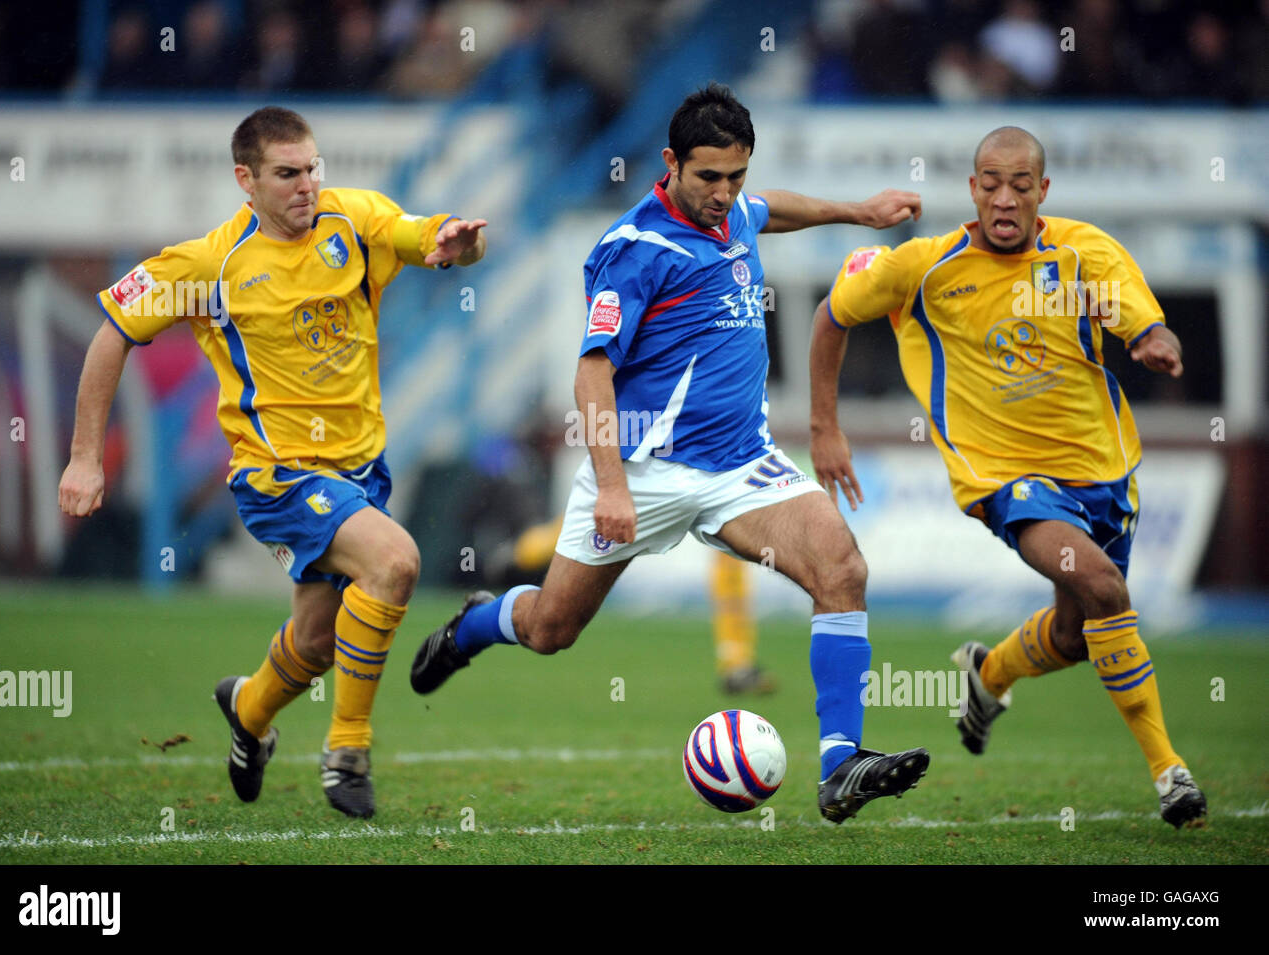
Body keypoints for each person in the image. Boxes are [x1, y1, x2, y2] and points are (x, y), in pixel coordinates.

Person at [411, 83, 929, 825]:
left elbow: (770, 209)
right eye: (708, 178)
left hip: (739, 465)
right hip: (643, 471)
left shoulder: (736, 213)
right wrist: (615, 488)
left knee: (841, 566)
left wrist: (858, 211)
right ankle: (473, 626)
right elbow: (592, 371)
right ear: (670, 164)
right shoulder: (635, 250)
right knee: (551, 629)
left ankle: (841, 761)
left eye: (735, 176)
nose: (725, 195)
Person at [58, 106, 487, 820]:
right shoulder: (209, 264)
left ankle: (249, 711)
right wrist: (83, 459)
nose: (307, 185)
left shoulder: (352, 221)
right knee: (396, 563)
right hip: (277, 475)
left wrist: (458, 245)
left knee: (317, 643)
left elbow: (430, 240)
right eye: (287, 174)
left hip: (359, 471)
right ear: (245, 180)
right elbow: (113, 334)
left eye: (313, 168)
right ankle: (347, 748)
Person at [811, 126, 1206, 828]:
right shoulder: (924, 268)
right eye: (990, 182)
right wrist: (824, 428)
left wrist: (1154, 338)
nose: (1004, 197)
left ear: (1042, 192)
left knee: (1078, 630)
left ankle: (988, 674)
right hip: (1006, 482)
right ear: (971, 190)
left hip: (1105, 471)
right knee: (1105, 587)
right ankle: (1169, 771)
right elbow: (832, 314)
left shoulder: (1084, 252)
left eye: (1020, 185)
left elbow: (1139, 318)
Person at [511, 515, 777, 693]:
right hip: (660, 454)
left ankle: (737, 663)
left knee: (728, 547)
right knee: (602, 519)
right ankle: (523, 553)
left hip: (704, 455)